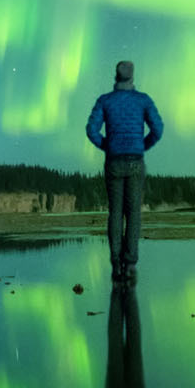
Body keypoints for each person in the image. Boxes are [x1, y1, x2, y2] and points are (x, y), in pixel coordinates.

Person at [85, 57, 163, 283]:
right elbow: (158, 129)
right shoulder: (143, 100)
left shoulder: (105, 101)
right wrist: (142, 146)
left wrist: (108, 146)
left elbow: (91, 130)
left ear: (115, 76)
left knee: (115, 212)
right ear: (132, 77)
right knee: (134, 213)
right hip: (136, 161)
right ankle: (130, 264)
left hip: (114, 162)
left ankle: (115, 262)